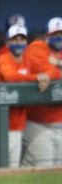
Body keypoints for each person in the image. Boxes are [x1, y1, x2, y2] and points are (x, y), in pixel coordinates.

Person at [21, 17, 62, 167]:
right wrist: (55, 71)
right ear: (46, 37)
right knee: (41, 169)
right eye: (55, 34)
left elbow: (53, 71)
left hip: (60, 122)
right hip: (38, 123)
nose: (59, 37)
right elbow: (45, 72)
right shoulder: (36, 48)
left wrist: (57, 63)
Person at [0, 24, 35, 168]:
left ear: (26, 42)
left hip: (21, 122)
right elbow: (10, 76)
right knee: (5, 167)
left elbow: (50, 73)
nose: (18, 43)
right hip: (3, 123)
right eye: (14, 40)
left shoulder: (28, 60)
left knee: (16, 168)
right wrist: (36, 77)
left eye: (21, 39)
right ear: (7, 43)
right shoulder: (3, 58)